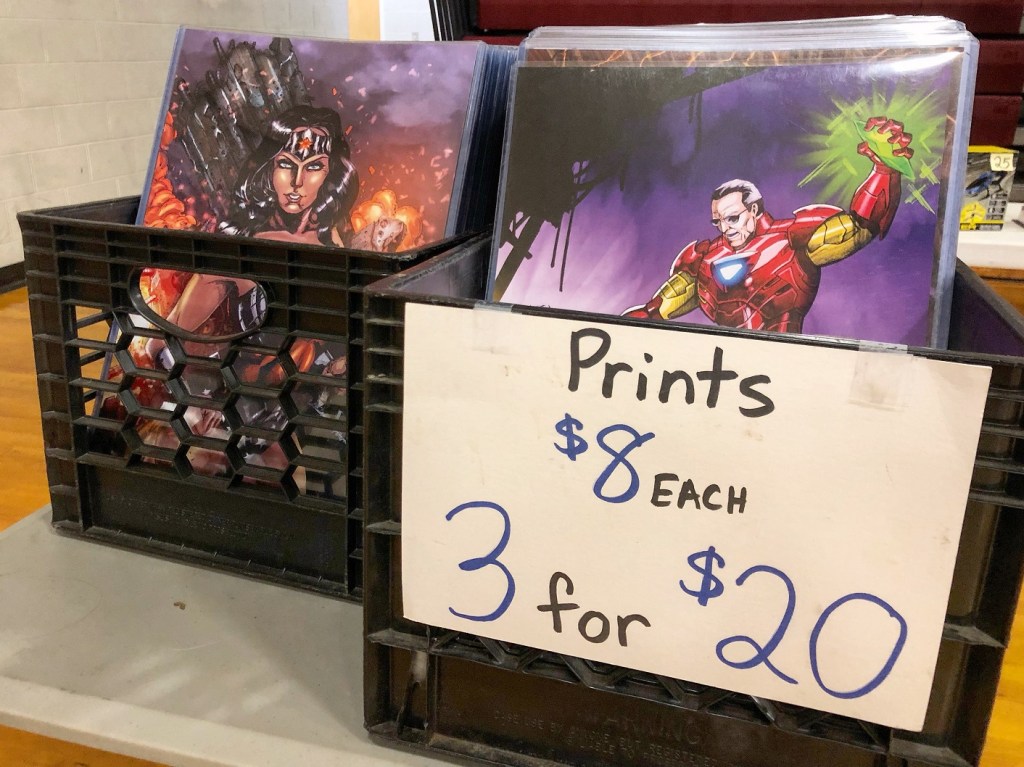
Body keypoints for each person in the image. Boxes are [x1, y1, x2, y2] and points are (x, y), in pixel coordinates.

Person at [625, 117, 913, 333]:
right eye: (718, 222)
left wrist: (885, 170)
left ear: (754, 209)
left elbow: (860, 226)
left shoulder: (791, 238)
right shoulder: (704, 258)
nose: (725, 228)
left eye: (732, 218)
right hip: (718, 365)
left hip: (779, 361)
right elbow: (653, 313)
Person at [219, 104, 359, 246]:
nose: (297, 181)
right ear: (269, 167)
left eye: (313, 167)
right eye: (286, 164)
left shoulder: (336, 242)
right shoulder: (233, 235)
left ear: (331, 174)